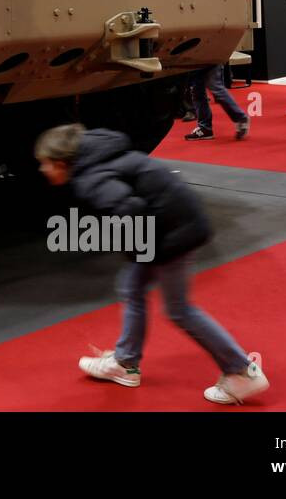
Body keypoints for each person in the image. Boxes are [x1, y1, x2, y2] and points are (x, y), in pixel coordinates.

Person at [35, 123, 269, 405]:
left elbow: (129, 209)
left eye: (44, 164)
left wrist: (139, 247)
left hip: (174, 234)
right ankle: (125, 363)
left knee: (179, 310)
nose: (42, 170)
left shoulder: (90, 179)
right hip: (176, 224)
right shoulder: (102, 158)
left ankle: (242, 372)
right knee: (131, 286)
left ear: (61, 163)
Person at [182, 64, 249, 140]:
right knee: (197, 92)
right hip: (195, 60)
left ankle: (240, 117)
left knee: (215, 88)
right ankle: (205, 128)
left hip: (210, 57)